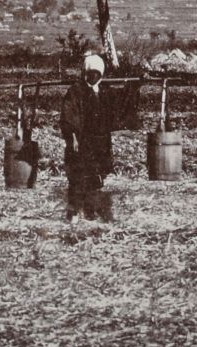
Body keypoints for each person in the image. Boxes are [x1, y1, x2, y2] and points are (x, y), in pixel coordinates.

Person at [59, 52, 139, 222]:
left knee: (97, 176)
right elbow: (69, 115)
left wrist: (133, 87)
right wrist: (73, 137)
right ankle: (73, 213)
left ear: (101, 74)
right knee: (79, 176)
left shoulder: (105, 91)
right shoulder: (76, 91)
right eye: (91, 73)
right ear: (85, 73)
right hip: (82, 141)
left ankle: (91, 211)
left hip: (101, 142)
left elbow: (120, 105)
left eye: (97, 74)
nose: (94, 77)